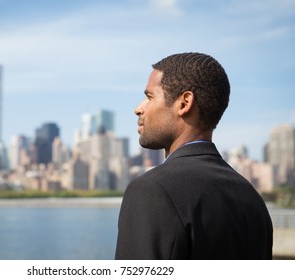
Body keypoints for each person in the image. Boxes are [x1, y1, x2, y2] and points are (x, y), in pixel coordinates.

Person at [115, 52, 273, 260]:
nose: (139, 109)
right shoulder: (251, 198)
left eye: (149, 96)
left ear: (184, 103)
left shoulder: (151, 190)